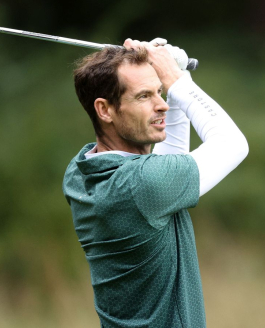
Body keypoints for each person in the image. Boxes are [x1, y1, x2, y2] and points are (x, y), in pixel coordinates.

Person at [62, 38, 249, 328]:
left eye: (159, 92)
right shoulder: (141, 184)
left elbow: (168, 159)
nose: (162, 105)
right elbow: (233, 144)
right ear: (105, 110)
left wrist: (168, 78)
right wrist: (178, 80)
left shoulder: (79, 172)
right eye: (143, 96)